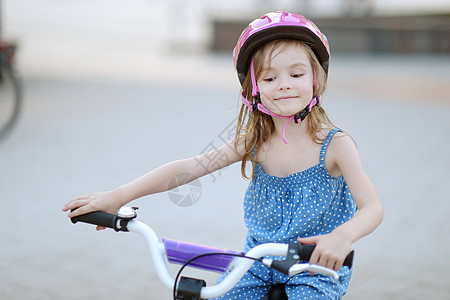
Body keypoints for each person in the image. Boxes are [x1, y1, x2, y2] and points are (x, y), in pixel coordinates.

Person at [63, 11, 383, 299]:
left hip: (314, 268)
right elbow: (188, 169)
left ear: (316, 80)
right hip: (257, 262)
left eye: (296, 75)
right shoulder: (256, 142)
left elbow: (372, 208)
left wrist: (342, 236)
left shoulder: (336, 145)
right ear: (254, 90)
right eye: (270, 78)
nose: (284, 85)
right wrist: (118, 196)